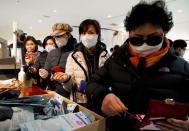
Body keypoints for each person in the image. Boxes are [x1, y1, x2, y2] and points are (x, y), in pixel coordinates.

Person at [86, 1, 189, 131]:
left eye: (153, 39)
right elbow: (92, 83)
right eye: (137, 39)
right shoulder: (116, 60)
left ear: (164, 34)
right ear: (129, 35)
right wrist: (103, 96)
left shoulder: (183, 68)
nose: (144, 45)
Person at [51, 19, 109, 105]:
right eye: (83, 33)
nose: (86, 36)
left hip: (101, 101)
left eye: (90, 32)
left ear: (98, 34)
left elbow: (109, 82)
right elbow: (69, 88)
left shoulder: (106, 56)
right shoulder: (73, 56)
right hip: (80, 102)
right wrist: (66, 79)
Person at [39, 23, 76, 98]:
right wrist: (45, 73)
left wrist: (65, 77)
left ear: (68, 35)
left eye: (59, 36)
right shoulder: (52, 53)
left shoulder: (75, 53)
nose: (57, 39)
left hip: (70, 94)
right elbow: (47, 70)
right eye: (55, 37)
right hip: (52, 91)